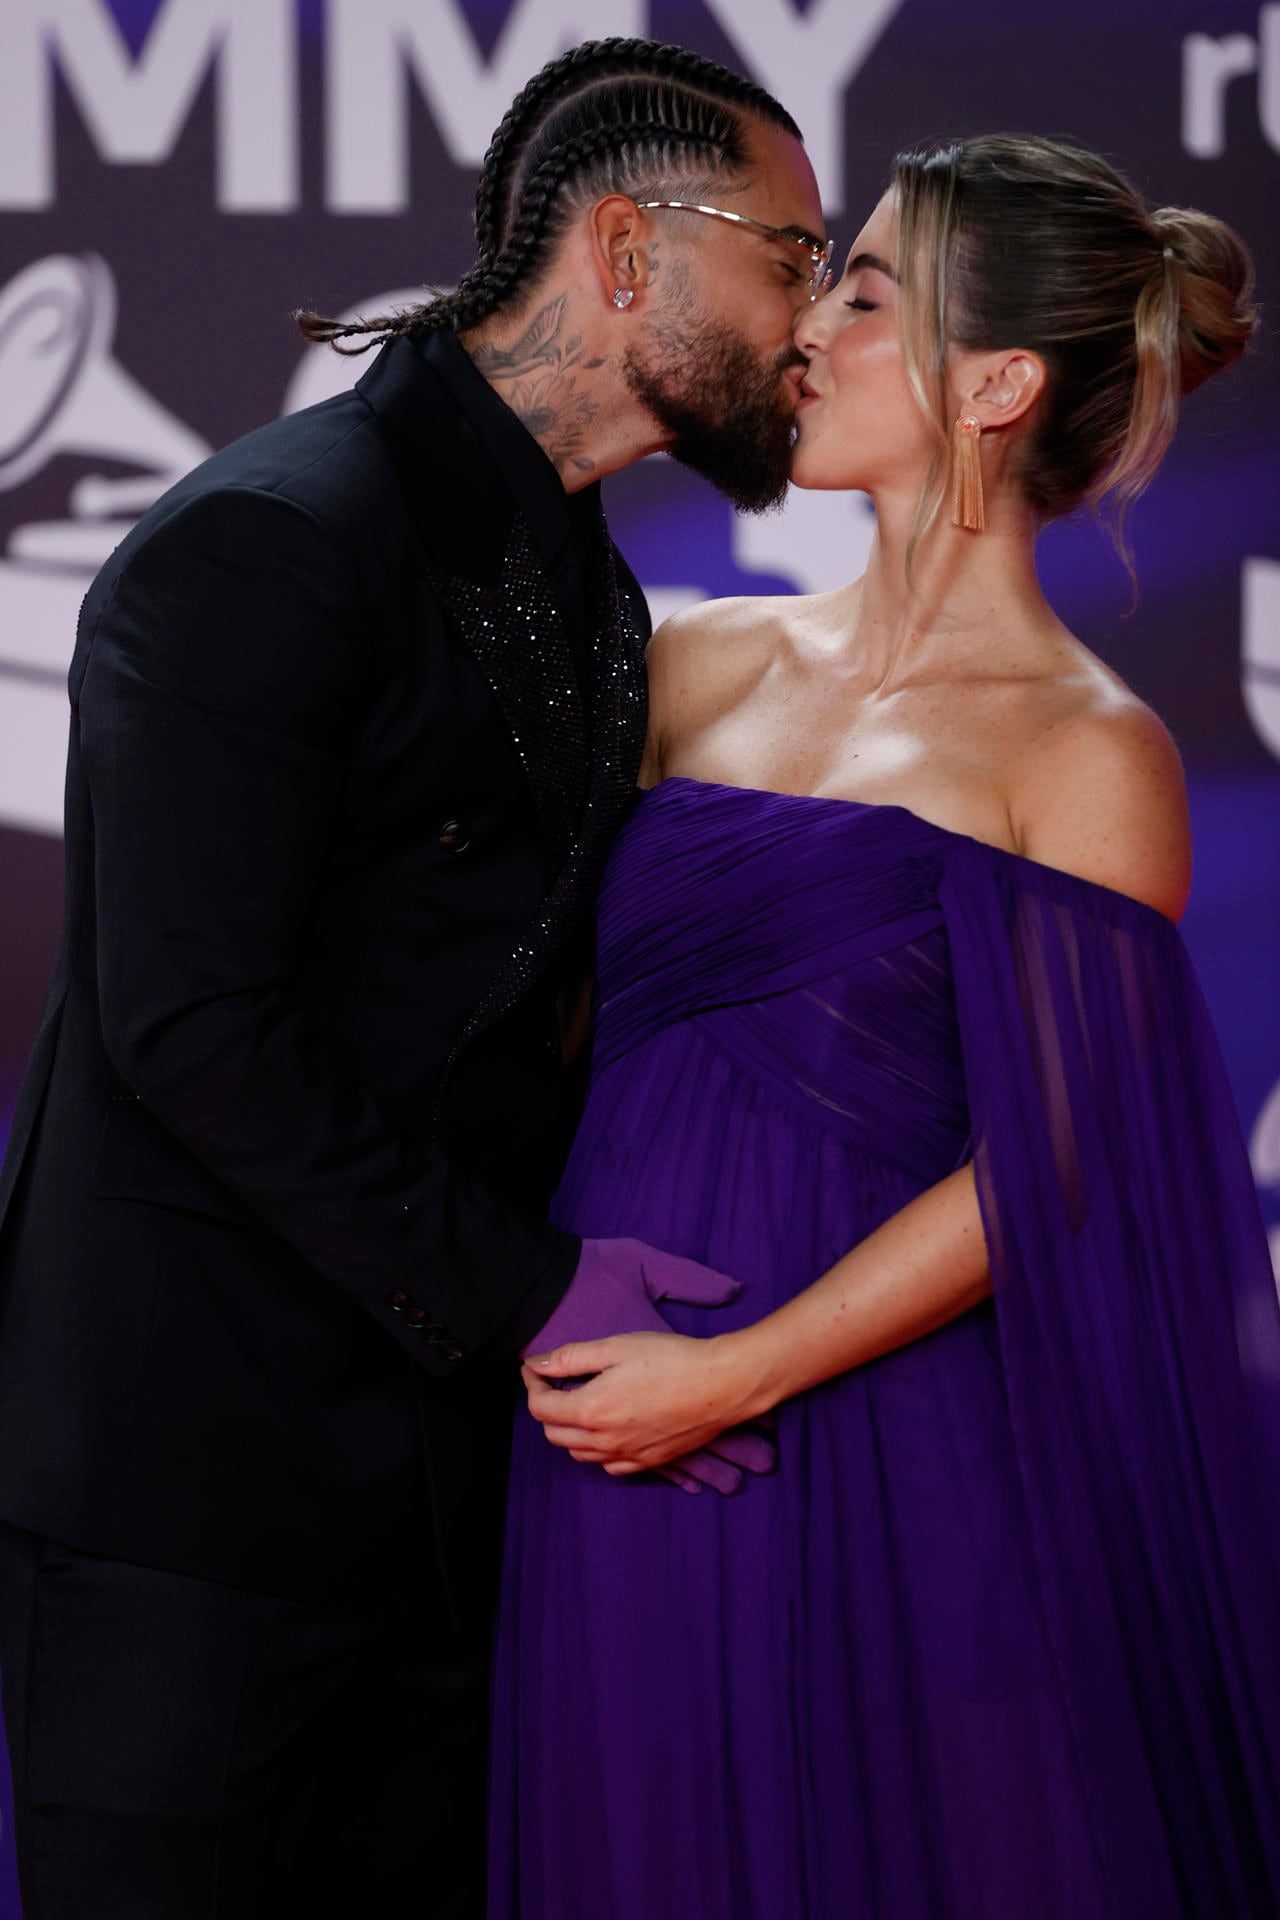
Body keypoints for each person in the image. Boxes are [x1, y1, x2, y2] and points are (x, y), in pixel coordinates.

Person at [0, 37, 828, 1920]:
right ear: (625, 254)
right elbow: (189, 1024)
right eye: (791, 257)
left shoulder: (596, 589)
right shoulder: (270, 543)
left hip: (447, 1514)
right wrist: (537, 1287)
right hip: (186, 1512)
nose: (811, 321)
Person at [493, 134, 1280, 1917]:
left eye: (860, 294)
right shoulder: (695, 662)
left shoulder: (1088, 750)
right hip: (614, 1423)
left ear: (995, 383)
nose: (806, 329)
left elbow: (1056, 1168)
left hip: (871, 1436)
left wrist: (740, 1372)